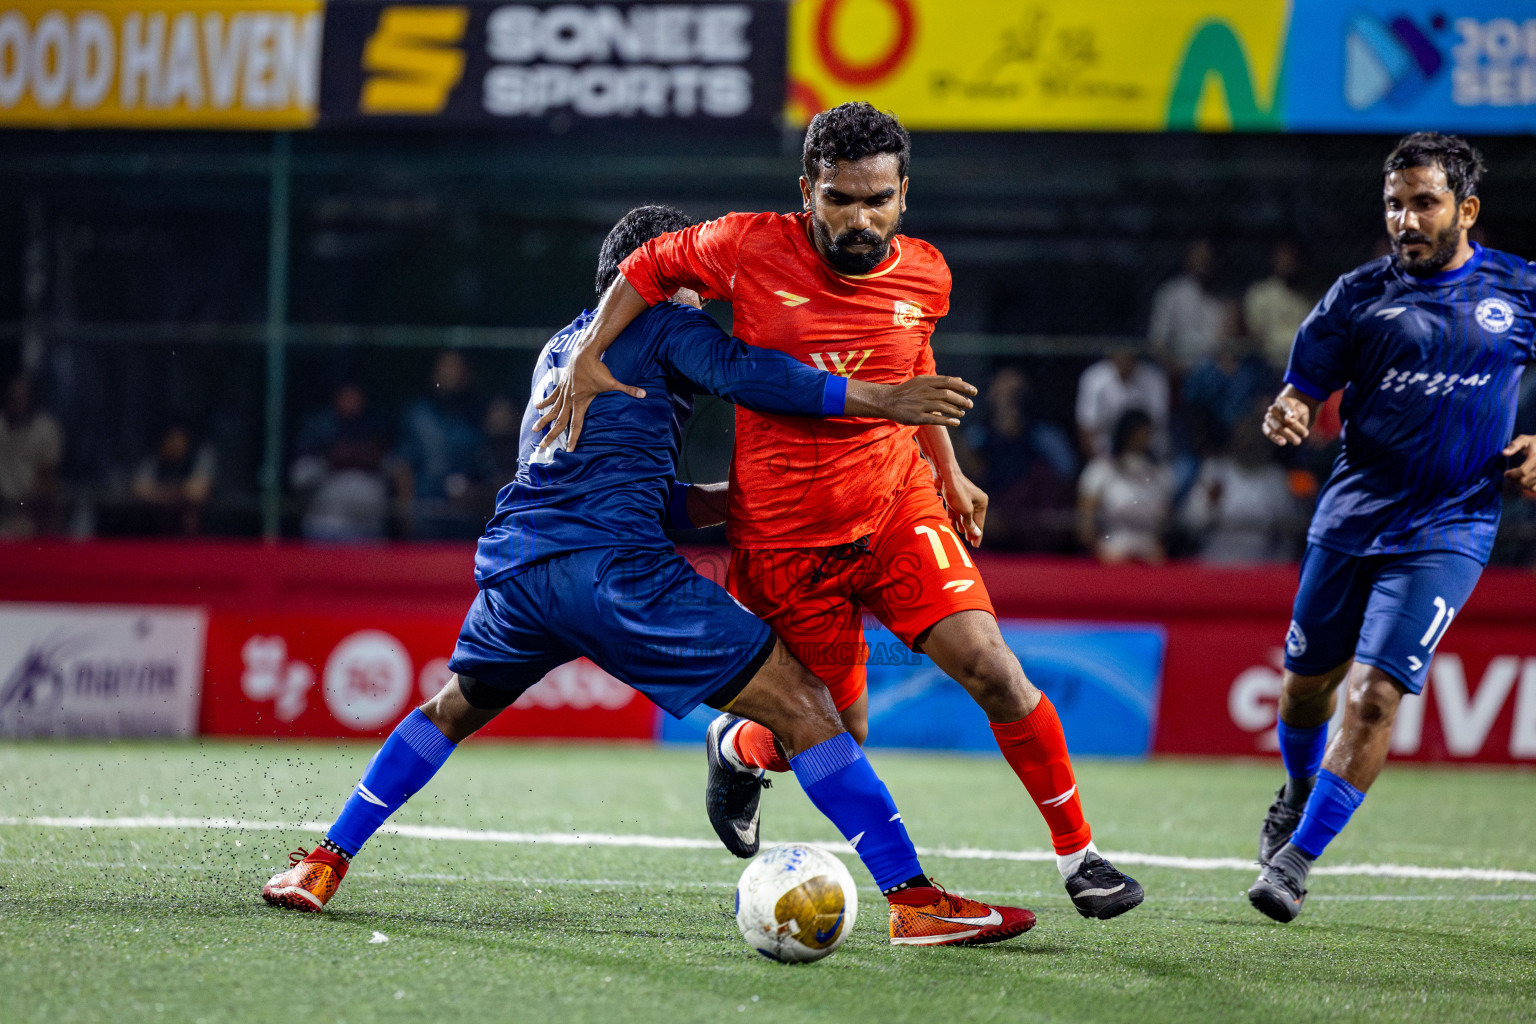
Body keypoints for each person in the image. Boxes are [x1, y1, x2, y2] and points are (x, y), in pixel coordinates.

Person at [263, 206, 1036, 948]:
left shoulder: (562, 349)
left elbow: (616, 481)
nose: (710, 290)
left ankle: (324, 861)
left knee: (451, 708)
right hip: (616, 573)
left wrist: (740, 502)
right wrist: (881, 398)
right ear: (668, 273)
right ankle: (915, 901)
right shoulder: (665, 320)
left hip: (520, 569)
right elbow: (754, 376)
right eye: (699, 274)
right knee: (808, 704)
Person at [536, 103, 1144, 920]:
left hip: (897, 510)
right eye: (839, 200)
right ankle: (738, 747)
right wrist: (586, 355)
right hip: (786, 544)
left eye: (877, 200)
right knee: (837, 729)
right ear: (806, 192)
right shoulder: (747, 245)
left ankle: (1082, 858)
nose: (860, 220)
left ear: (903, 195)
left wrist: (949, 471)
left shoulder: (928, 272)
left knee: (994, 670)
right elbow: (645, 263)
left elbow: (912, 361)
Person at [1248, 133, 1536, 922]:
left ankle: (1296, 862)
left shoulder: (1521, 289)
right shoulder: (1357, 295)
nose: (1405, 219)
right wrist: (1291, 408)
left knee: (1374, 697)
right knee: (1307, 691)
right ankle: (1299, 788)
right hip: (1351, 519)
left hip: (1451, 527)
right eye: (1394, 204)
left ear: (1466, 209)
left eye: (1424, 203)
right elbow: (1302, 389)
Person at [394, 351, 485, 539]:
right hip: (425, 514)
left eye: (457, 368)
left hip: (467, 518)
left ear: (466, 375)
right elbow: (403, 468)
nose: (451, 374)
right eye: (446, 367)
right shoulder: (417, 416)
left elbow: (487, 474)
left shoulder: (477, 420)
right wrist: (406, 517)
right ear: (434, 374)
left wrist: (475, 494)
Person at [291, 382, 392, 542]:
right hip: (327, 527)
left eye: (355, 395)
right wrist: (329, 461)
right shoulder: (319, 429)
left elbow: (395, 471)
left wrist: (364, 458)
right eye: (346, 396)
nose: (351, 401)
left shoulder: (375, 428)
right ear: (336, 398)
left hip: (369, 529)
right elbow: (299, 478)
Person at [1076, 409, 1172, 565]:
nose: (1143, 438)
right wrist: (1099, 549)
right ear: (1126, 432)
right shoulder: (1101, 470)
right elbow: (1085, 524)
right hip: (1111, 547)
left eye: (1147, 433)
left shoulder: (1159, 473)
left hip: (1150, 548)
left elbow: (1166, 520)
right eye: (1139, 432)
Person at [1149, 239, 1232, 371]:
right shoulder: (1171, 293)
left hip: (1215, 372)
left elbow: (1226, 344)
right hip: (1179, 370)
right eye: (1198, 257)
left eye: (1207, 258)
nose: (1203, 263)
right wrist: (1175, 371)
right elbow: (1158, 342)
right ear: (1188, 259)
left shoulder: (1222, 300)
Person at [1074, 345, 1169, 460]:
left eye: (1128, 355)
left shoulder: (1154, 377)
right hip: (1106, 453)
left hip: (1147, 450)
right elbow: (1086, 428)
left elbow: (1156, 423)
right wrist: (1101, 465)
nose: (1123, 360)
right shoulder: (1094, 378)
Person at [0, 372, 63, 538]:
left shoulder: (45, 429)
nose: (18, 401)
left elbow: (48, 479)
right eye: (14, 397)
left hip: (31, 514)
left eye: (22, 396)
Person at [130, 421, 215, 536]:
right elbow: (139, 489)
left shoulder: (197, 456)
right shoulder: (154, 459)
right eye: (171, 439)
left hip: (197, 528)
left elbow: (196, 492)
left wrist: (161, 493)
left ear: (187, 440)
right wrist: (174, 495)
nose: (175, 444)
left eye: (179, 439)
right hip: (154, 528)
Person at [1245, 240, 1314, 372]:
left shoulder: (1305, 301)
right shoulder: (1260, 293)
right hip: (1268, 366)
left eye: (1291, 257)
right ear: (1274, 259)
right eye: (1283, 257)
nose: (1287, 262)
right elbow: (1256, 336)